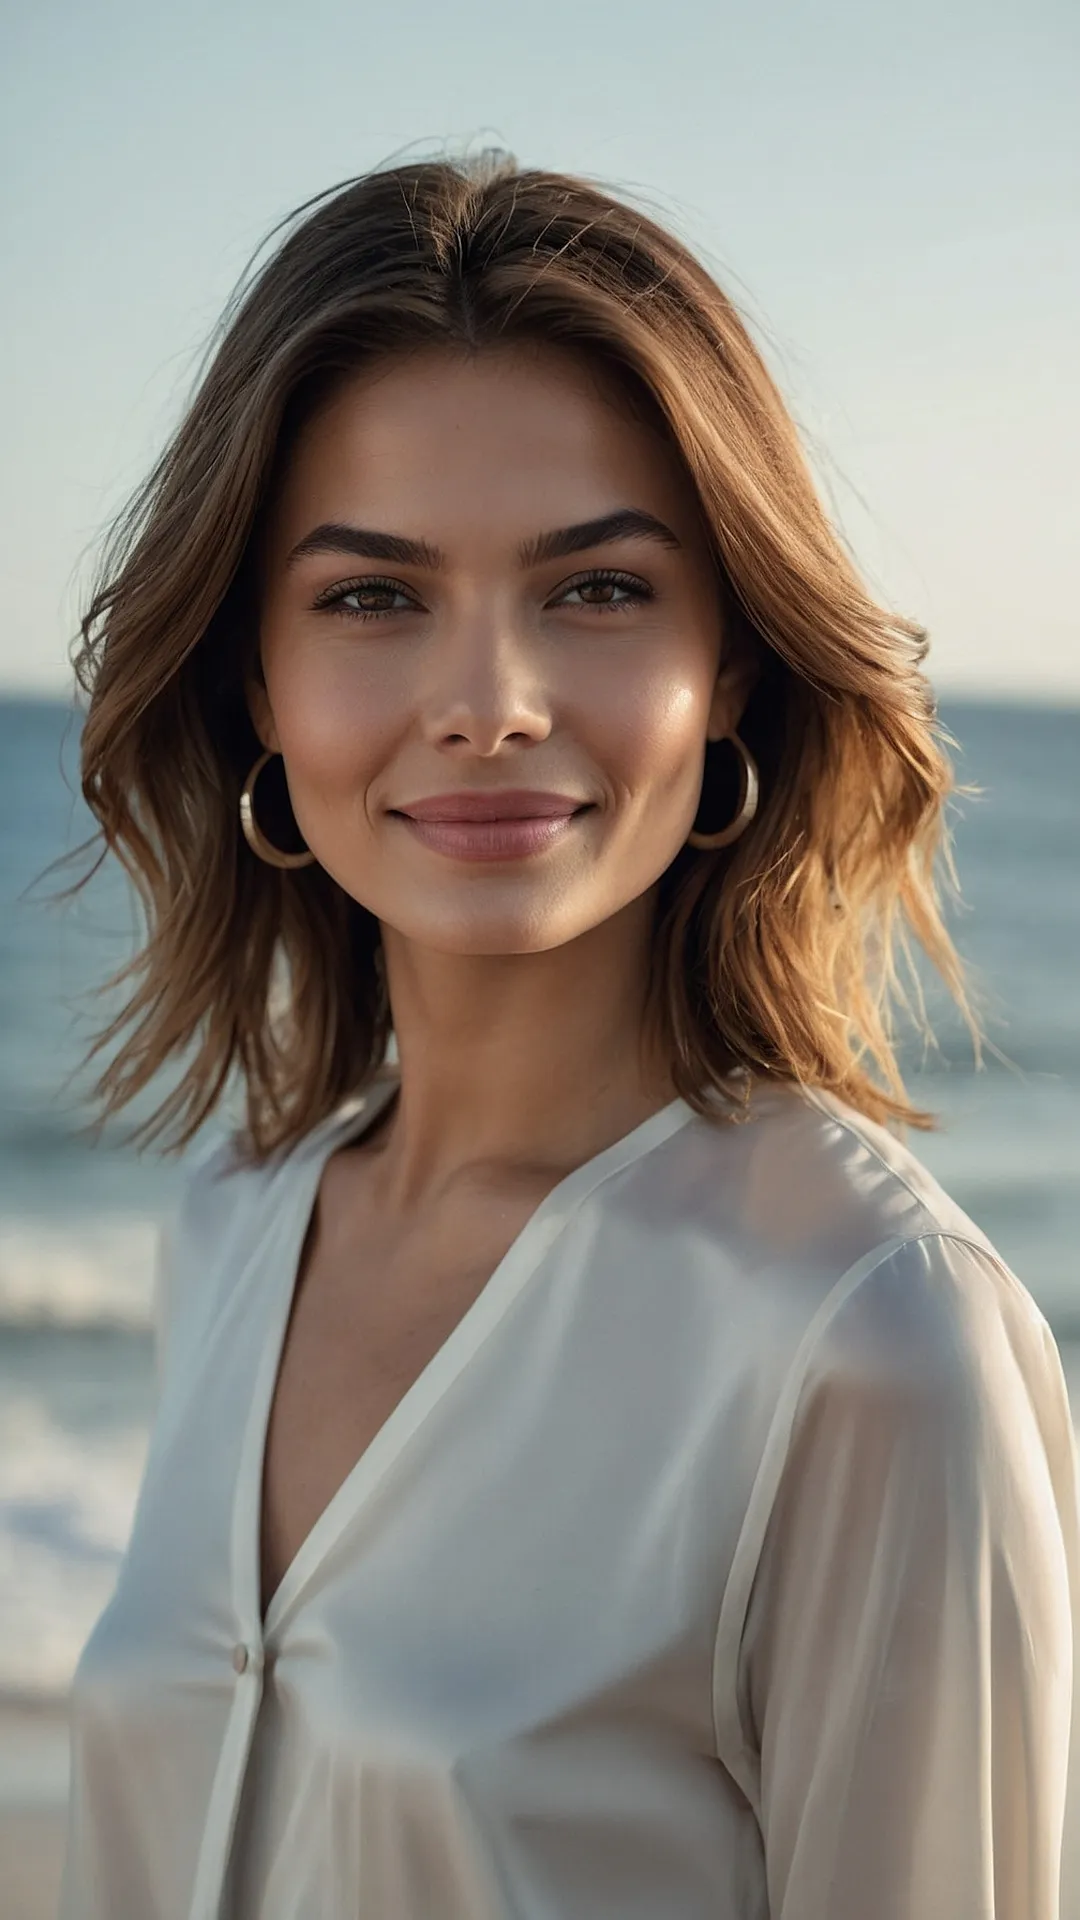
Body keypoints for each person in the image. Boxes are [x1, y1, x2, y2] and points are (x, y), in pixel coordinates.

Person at [58, 152, 1078, 1919]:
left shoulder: (875, 1338)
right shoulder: (233, 1225)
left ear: (731, 667)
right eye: (371, 597)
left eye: (596, 590)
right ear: (256, 683)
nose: (487, 704)